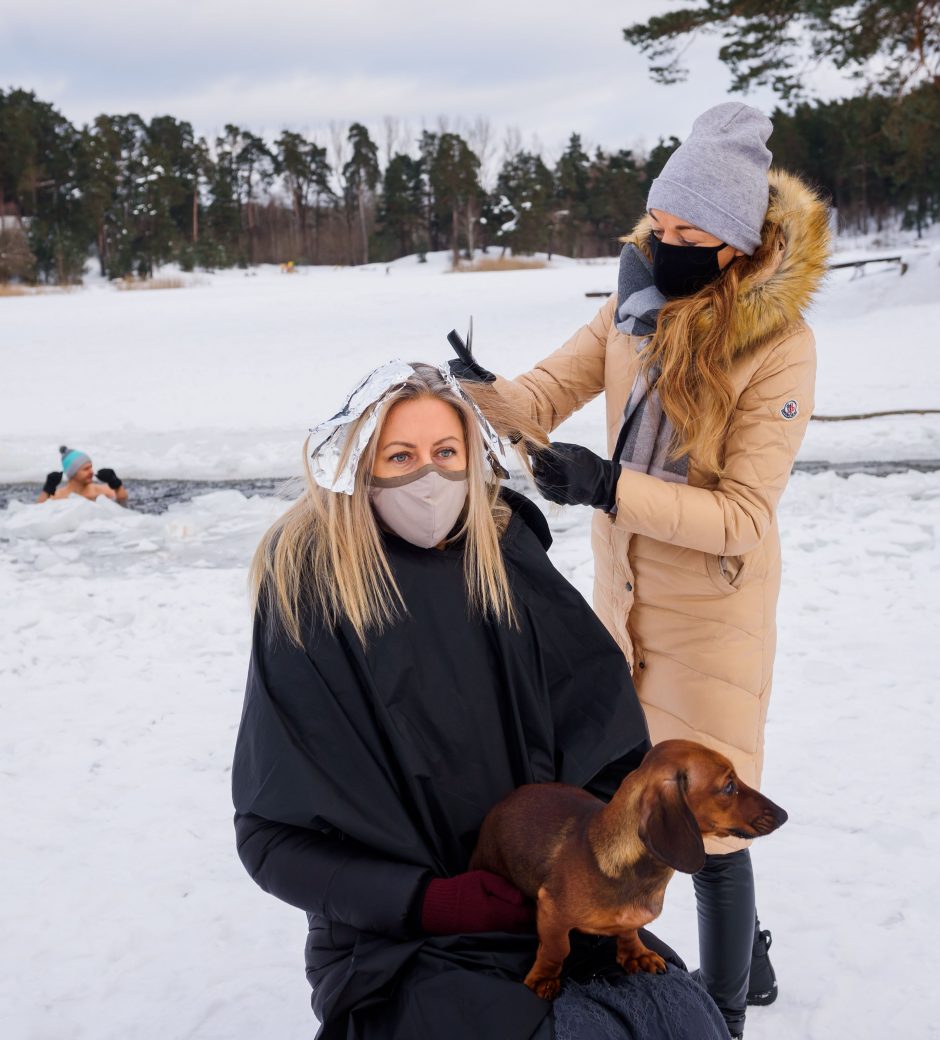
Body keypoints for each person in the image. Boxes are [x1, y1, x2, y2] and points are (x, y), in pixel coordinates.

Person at [450, 102, 830, 1039]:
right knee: (629, 792)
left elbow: (743, 515)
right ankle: (757, 956)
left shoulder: (778, 346)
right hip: (622, 598)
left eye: (689, 234)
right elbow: (545, 392)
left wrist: (611, 483)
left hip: (714, 610)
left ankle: (731, 1009)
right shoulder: (630, 308)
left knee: (709, 831)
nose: (664, 246)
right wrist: (473, 391)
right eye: (658, 226)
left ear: (737, 245)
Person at [231, 361, 728, 1040]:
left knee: (684, 1024)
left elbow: (608, 748)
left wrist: (604, 859)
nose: (427, 477)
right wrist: (428, 902)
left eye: (446, 454)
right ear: (358, 465)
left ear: (473, 459)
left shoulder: (507, 561)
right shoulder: (312, 596)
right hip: (398, 941)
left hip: (555, 901)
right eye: (400, 456)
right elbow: (272, 838)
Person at [38, 445, 128, 505]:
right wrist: (48, 488)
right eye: (86, 469)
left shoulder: (102, 490)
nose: (91, 472)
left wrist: (115, 483)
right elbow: (39, 510)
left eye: (91, 467)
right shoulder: (58, 496)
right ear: (72, 473)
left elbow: (122, 500)